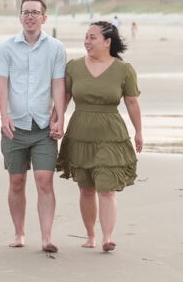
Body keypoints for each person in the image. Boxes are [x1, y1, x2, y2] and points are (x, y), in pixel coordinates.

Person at [56, 21, 142, 252]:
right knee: (85, 188)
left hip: (110, 133)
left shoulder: (124, 70)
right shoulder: (73, 67)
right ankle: (90, 235)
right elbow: (63, 99)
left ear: (107, 42)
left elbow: (132, 102)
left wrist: (139, 132)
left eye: (92, 37)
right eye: (86, 36)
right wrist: (57, 121)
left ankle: (107, 236)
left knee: (106, 186)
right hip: (80, 131)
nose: (87, 41)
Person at [0, 0, 67, 253]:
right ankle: (19, 232)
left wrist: (60, 115)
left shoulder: (56, 48)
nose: (30, 16)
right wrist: (4, 116)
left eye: (35, 12)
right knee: (16, 182)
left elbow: (59, 84)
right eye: (26, 12)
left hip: (44, 127)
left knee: (45, 181)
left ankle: (47, 237)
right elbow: (1, 82)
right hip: (15, 126)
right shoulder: (6, 48)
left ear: (44, 18)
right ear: (20, 16)